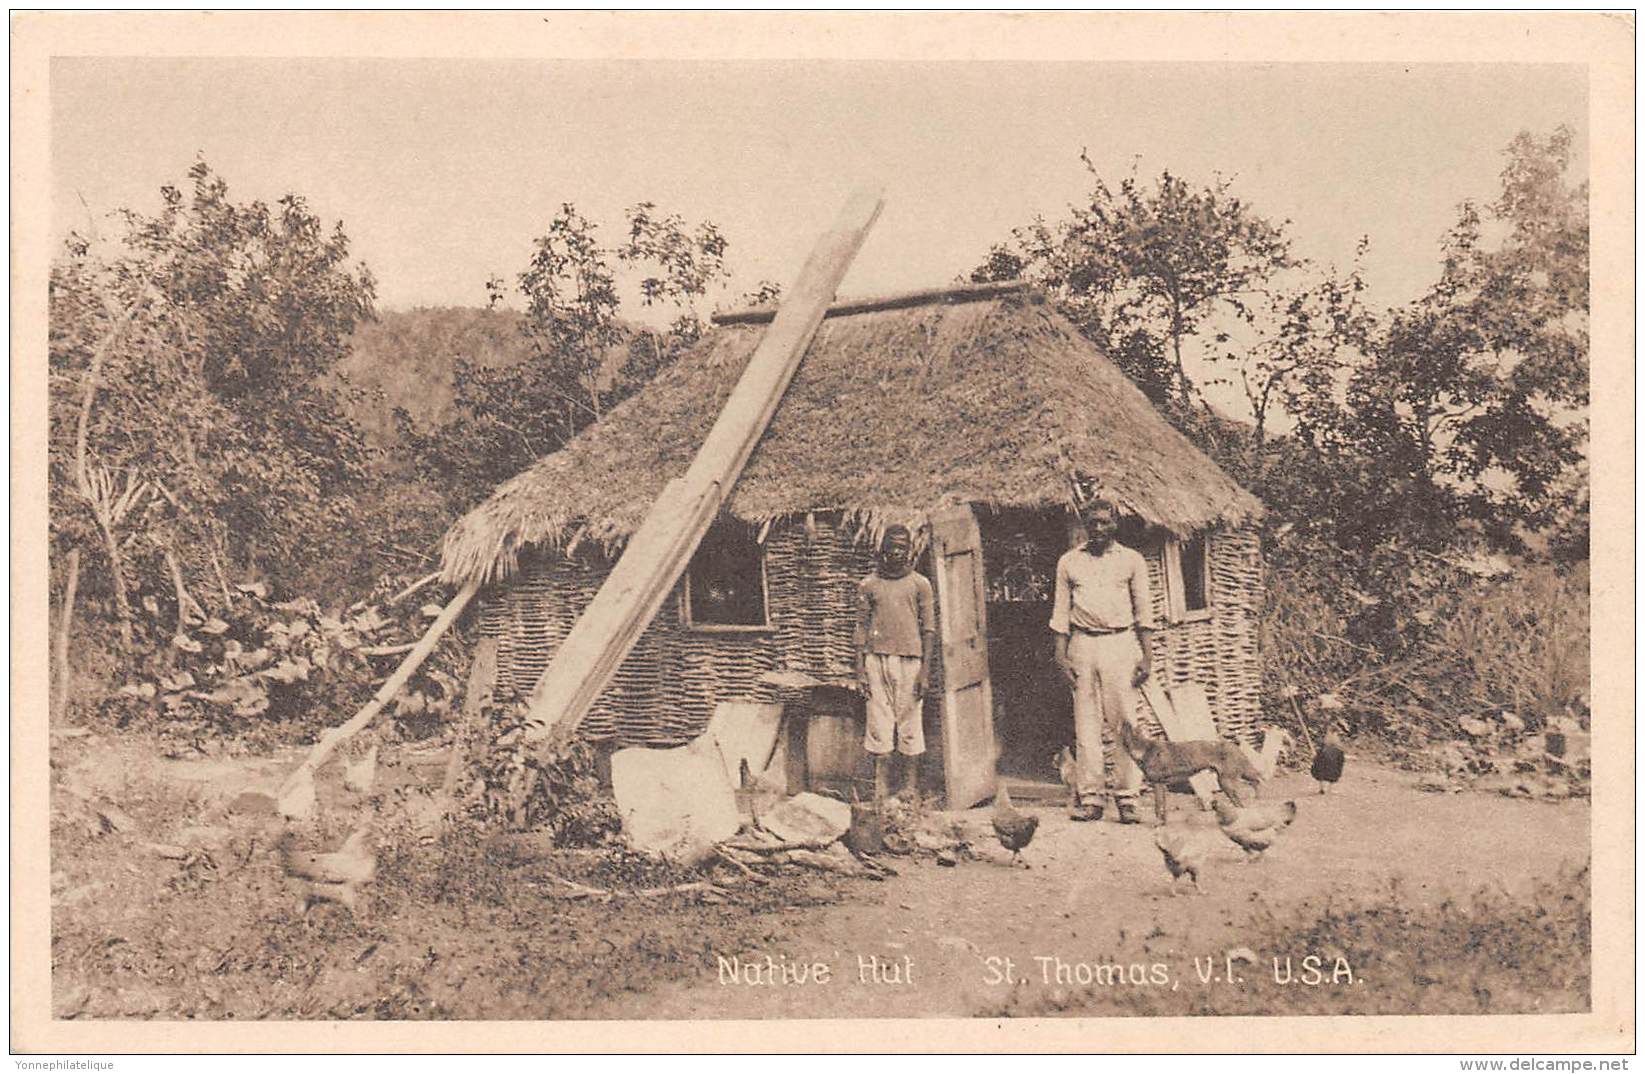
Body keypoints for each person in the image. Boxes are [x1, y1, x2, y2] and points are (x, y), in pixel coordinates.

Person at [1049, 499, 1158, 823]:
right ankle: (1092, 798)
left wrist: (1147, 655)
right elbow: (1060, 612)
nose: (1097, 529)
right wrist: (1060, 655)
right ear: (1084, 525)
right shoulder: (1069, 562)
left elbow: (1144, 611)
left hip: (1120, 643)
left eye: (1104, 522)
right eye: (1092, 522)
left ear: (1115, 524)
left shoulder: (1131, 561)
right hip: (1082, 644)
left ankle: (1127, 797)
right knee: (1086, 723)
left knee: (1125, 722)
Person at [855, 524, 936, 803]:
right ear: (883, 548)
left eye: (902, 546)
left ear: (910, 549)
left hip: (910, 661)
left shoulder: (920, 584)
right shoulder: (869, 585)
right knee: (878, 722)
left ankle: (909, 789)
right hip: (876, 661)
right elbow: (861, 628)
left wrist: (925, 671)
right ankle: (880, 789)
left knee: (910, 721)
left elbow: (929, 630)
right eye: (892, 545)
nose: (897, 551)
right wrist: (860, 670)